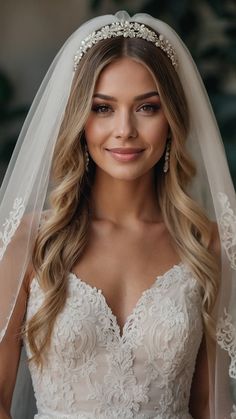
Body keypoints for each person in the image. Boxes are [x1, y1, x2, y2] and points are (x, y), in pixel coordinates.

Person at [0, 9, 235, 419]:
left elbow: (208, 407)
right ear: (79, 119)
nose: (124, 129)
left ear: (172, 119)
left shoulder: (207, 244)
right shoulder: (30, 242)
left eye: (147, 108)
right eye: (102, 108)